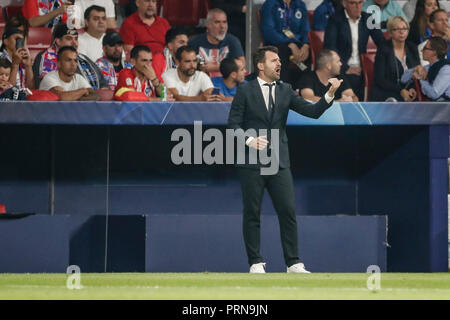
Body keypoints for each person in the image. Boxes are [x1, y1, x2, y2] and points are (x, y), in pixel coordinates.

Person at [228, 46, 341, 274]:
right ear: (261, 65)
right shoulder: (245, 90)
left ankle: (293, 263)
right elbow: (233, 126)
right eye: (273, 60)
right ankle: (256, 262)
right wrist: (249, 141)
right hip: (251, 160)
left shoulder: (286, 90)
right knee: (252, 212)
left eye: (279, 60)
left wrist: (329, 93)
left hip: (279, 161)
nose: (279, 64)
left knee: (288, 211)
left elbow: (313, 112)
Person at [323, 0, 385, 101]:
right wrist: (346, 67)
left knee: (380, 79)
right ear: (344, 3)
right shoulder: (335, 19)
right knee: (354, 80)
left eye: (360, 2)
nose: (358, 6)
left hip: (362, 66)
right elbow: (330, 47)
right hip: (341, 67)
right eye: (353, 3)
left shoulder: (368, 18)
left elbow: (382, 43)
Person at [33, 23, 109, 90]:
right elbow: (44, 87)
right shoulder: (44, 58)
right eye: (69, 38)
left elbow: (102, 82)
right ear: (58, 41)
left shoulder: (84, 59)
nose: (74, 43)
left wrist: (103, 89)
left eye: (76, 39)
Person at [260, 0, 310, 85]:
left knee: (308, 57)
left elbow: (306, 30)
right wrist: (290, 43)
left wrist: (306, 45)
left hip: (297, 44)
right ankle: (283, 88)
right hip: (277, 44)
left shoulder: (300, 5)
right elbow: (269, 32)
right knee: (282, 52)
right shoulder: (270, 4)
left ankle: (304, 90)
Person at [370, 16, 420, 101]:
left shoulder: (412, 48)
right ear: (390, 33)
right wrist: (400, 90)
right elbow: (380, 79)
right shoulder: (383, 49)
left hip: (407, 90)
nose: (401, 32)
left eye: (404, 28)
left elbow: (416, 73)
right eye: (396, 29)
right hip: (386, 91)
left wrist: (413, 88)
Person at [189, 8, 245, 78]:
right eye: (217, 22)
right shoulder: (195, 42)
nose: (222, 26)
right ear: (207, 24)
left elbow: (242, 63)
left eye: (224, 22)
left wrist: (215, 67)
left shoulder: (232, 40)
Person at [402, 36, 450, 101]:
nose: (422, 50)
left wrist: (420, 79)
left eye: (425, 48)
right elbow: (403, 79)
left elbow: (434, 94)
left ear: (434, 52)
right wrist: (416, 68)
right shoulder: (427, 67)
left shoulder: (446, 69)